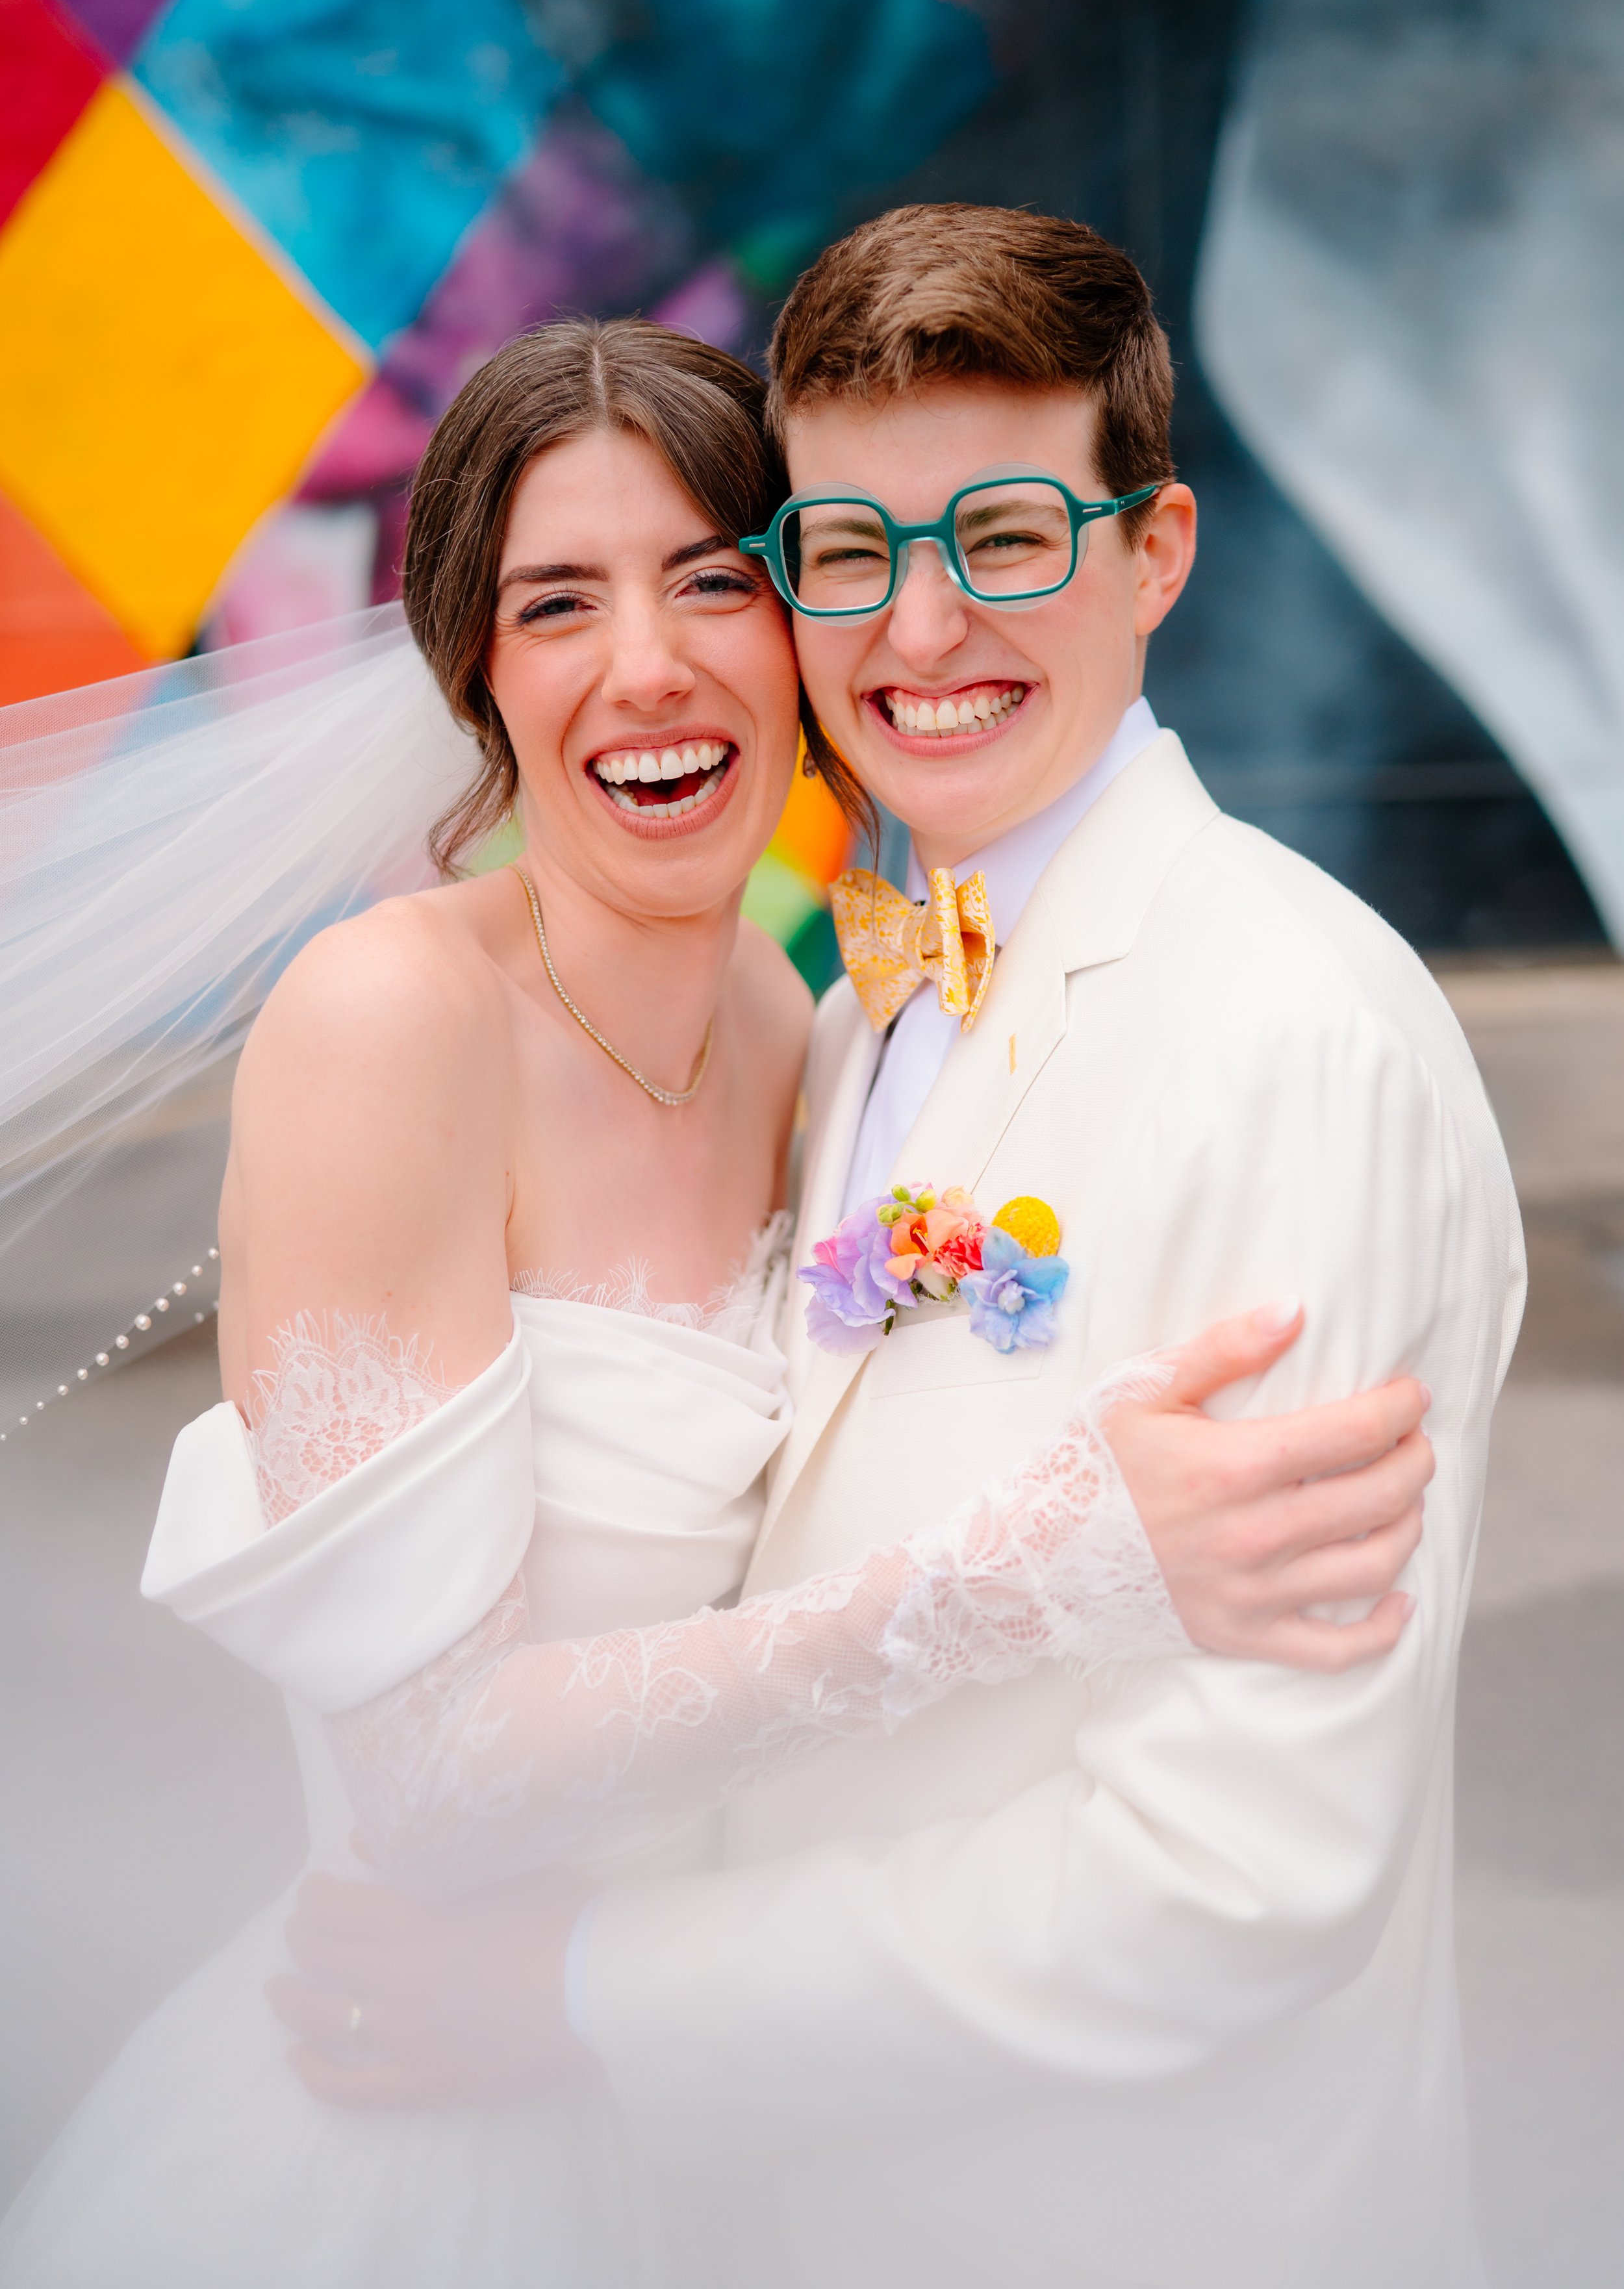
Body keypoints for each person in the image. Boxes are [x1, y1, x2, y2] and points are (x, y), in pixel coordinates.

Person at [0, 312, 1435, 2289]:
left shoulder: (798, 1018)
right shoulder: (390, 1017)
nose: (649, 665)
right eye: (556, 603)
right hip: (421, 2115)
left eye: (709, 580)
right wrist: (1017, 1578)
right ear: (476, 673)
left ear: (798, 629)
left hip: (723, 2116)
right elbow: (426, 1782)